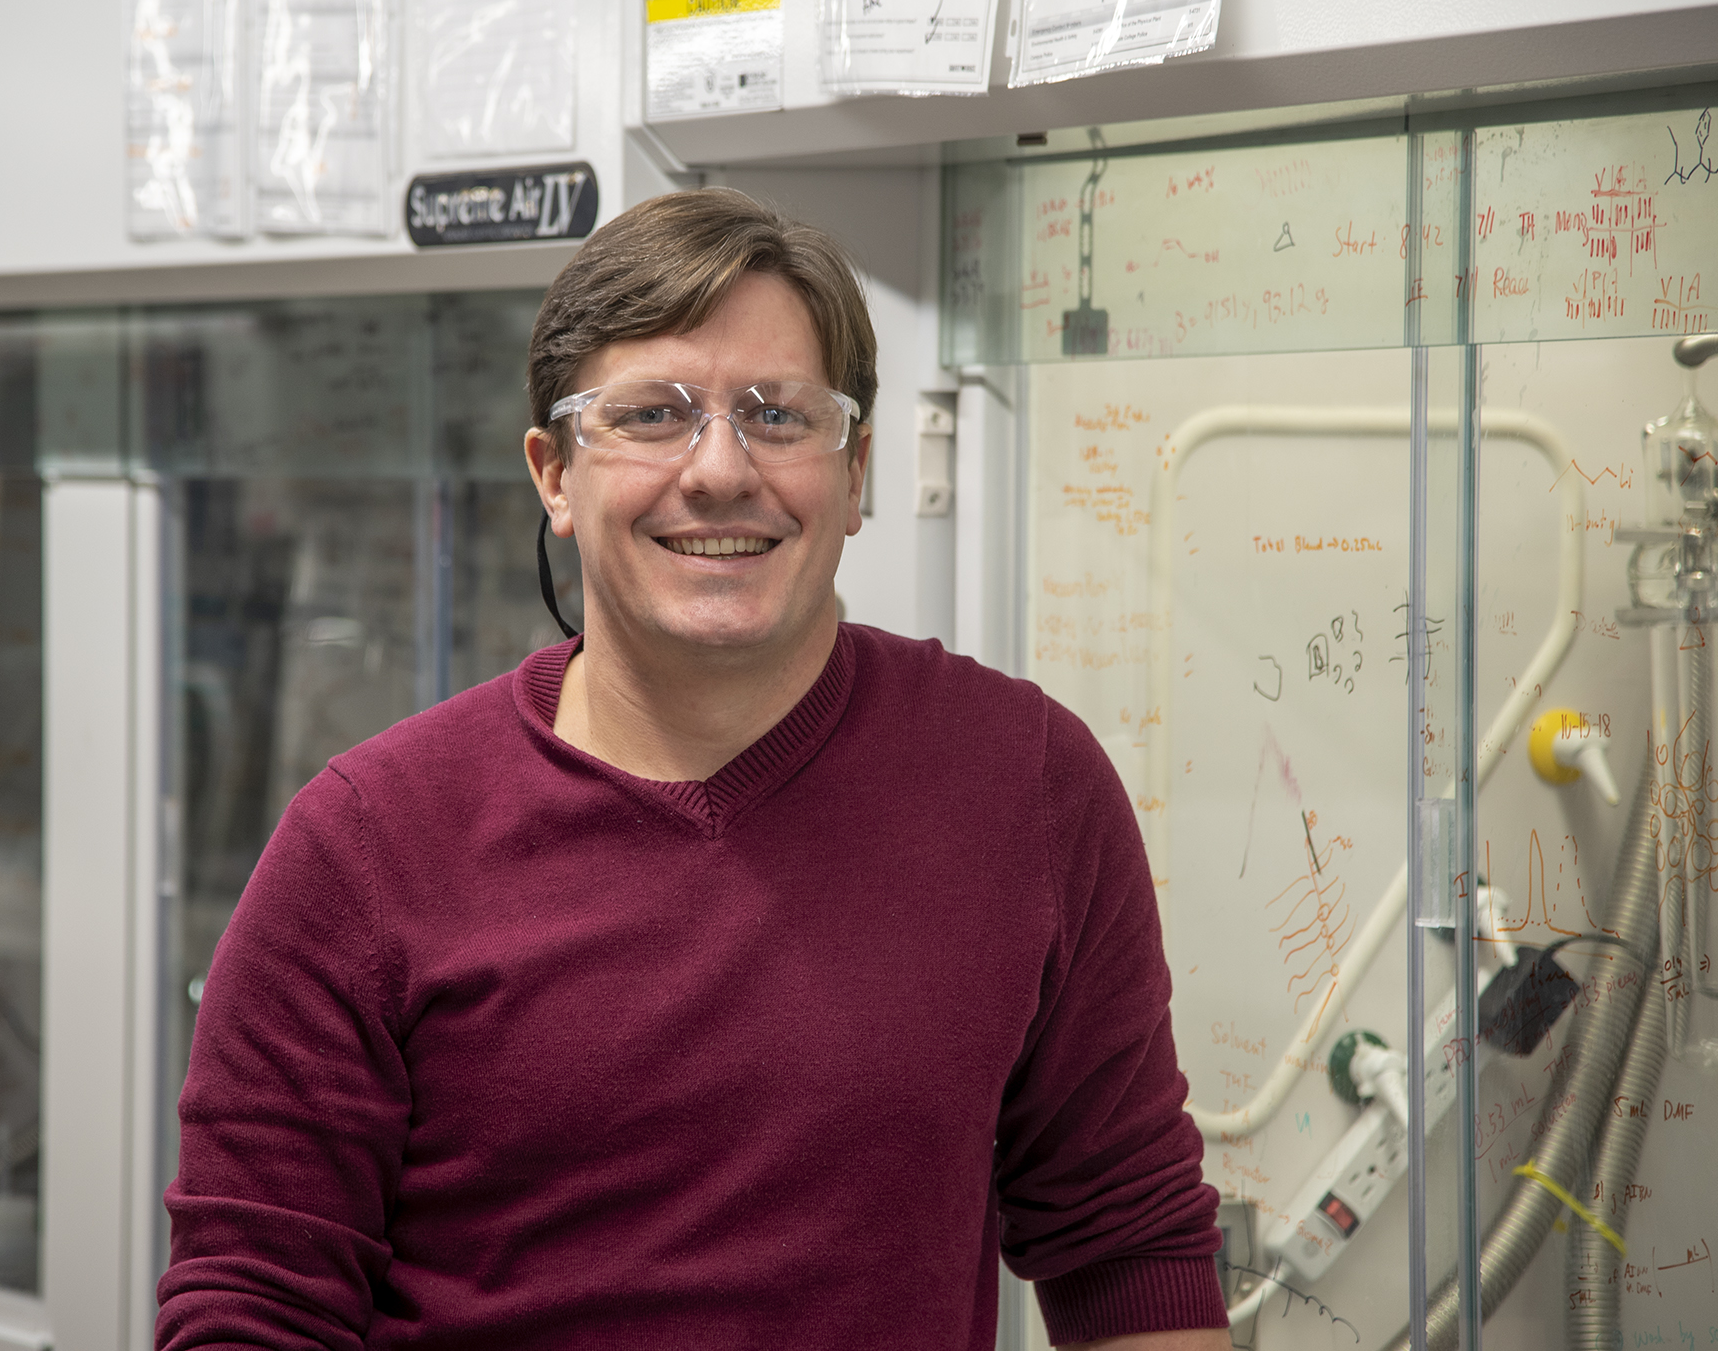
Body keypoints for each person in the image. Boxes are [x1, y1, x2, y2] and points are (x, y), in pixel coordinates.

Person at [158, 187, 1231, 1351]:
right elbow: (250, 1309)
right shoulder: (365, 847)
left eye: (777, 416)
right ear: (554, 476)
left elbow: (1127, 1249)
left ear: (856, 470)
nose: (719, 470)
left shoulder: (1023, 784)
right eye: (651, 416)